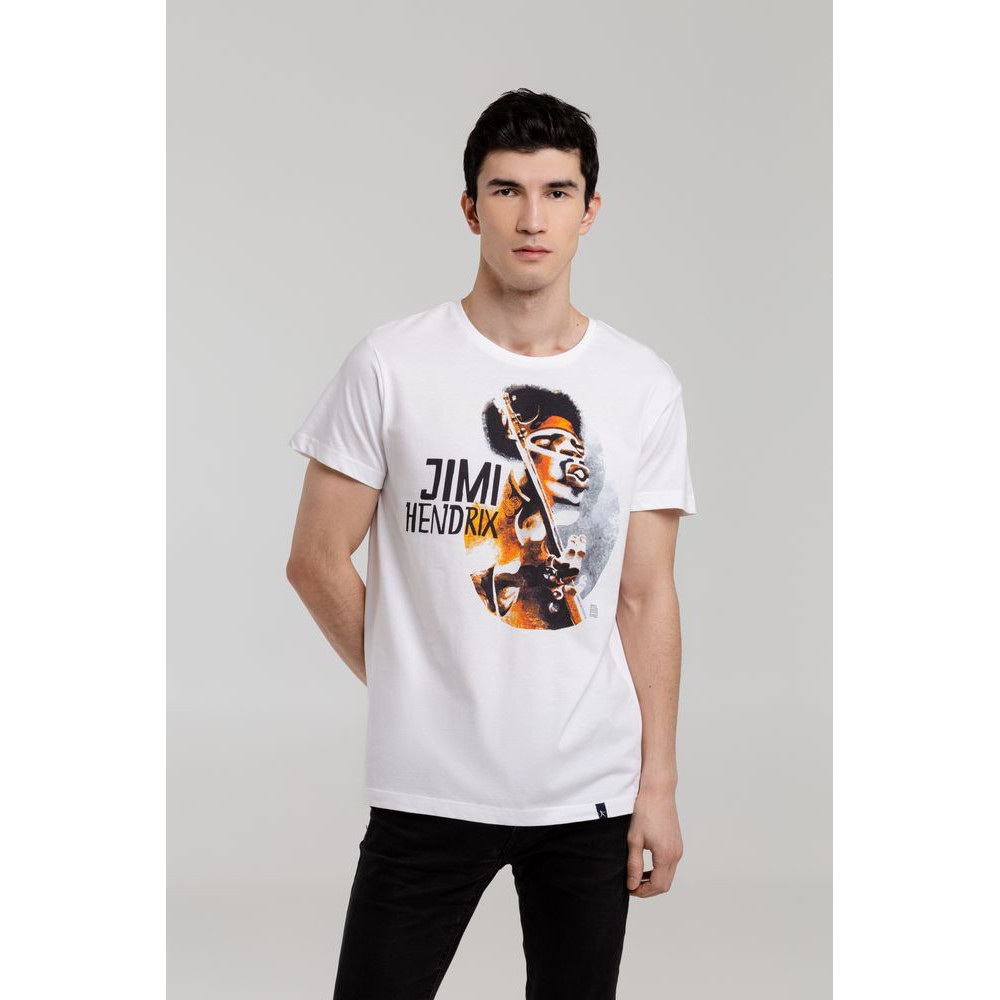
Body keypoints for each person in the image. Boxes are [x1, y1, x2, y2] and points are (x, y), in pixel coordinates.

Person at [285, 88, 698, 1000]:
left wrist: (658, 787)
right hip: (429, 785)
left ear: (590, 211)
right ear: (471, 208)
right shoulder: (392, 365)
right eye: (507, 191)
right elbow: (315, 560)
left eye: (557, 192)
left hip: (588, 790)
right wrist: (413, 680)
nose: (532, 218)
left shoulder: (641, 385)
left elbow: (645, 597)